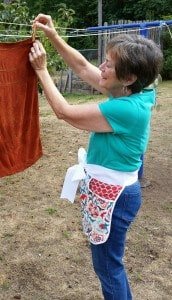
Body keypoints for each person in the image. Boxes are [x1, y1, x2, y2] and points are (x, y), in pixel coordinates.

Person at [29, 14, 163, 300]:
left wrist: (41, 71)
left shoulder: (126, 109)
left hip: (116, 196)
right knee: (109, 265)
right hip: (113, 191)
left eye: (108, 65)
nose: (100, 68)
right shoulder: (136, 90)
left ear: (128, 78)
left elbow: (65, 112)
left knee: (107, 268)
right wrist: (53, 35)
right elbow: (81, 66)